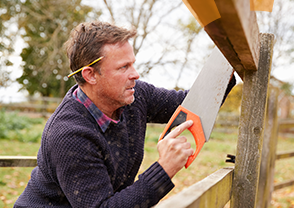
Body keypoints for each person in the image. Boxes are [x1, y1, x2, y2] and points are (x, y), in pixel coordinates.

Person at [14, 21, 235, 208]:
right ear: (90, 75)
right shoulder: (69, 134)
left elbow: (190, 104)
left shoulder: (134, 95)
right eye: (123, 67)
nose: (135, 74)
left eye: (133, 64)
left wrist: (227, 65)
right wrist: (164, 169)